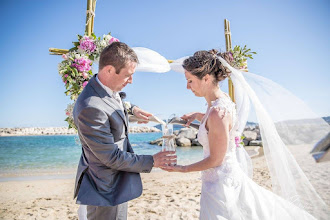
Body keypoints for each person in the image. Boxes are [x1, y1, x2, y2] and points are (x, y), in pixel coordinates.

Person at [163, 49, 327, 219]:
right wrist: (198, 116)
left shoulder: (217, 113)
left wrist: (182, 169)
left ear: (206, 78)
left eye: (190, 81)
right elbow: (218, 127)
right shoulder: (221, 102)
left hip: (221, 186)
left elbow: (216, 159)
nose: (187, 86)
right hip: (222, 179)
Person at [73, 42, 176, 220]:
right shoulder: (90, 107)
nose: (131, 81)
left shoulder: (105, 88)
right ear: (109, 70)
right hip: (104, 187)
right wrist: (152, 161)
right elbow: (111, 157)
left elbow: (114, 100)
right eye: (128, 76)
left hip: (117, 180)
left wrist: (132, 110)